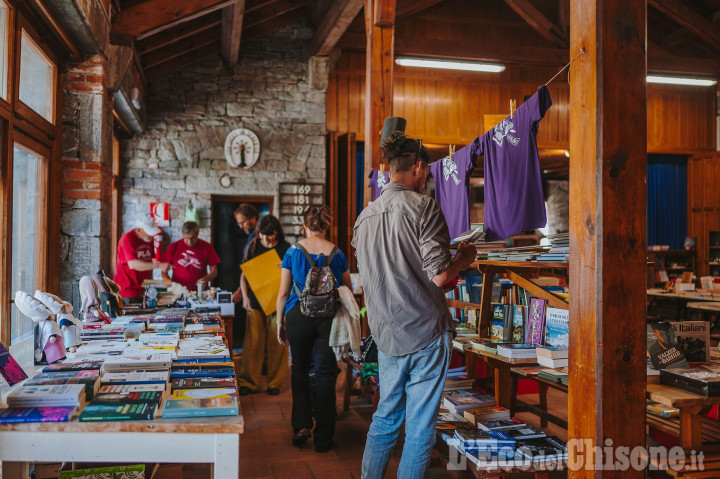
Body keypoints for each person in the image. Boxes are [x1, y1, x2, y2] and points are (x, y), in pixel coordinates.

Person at [352, 131, 477, 478]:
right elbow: (440, 276)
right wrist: (464, 258)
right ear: (418, 167)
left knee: (385, 419)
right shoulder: (423, 206)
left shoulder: (364, 219)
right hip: (424, 331)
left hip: (387, 334)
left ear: (389, 168)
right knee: (420, 428)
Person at [276, 205, 352, 453]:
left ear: (304, 225)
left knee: (299, 369)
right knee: (325, 374)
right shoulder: (338, 253)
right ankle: (324, 437)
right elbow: (348, 287)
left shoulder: (292, 251)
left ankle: (301, 426)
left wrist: (280, 323)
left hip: (297, 314)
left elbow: (283, 292)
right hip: (328, 318)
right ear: (326, 226)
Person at [237, 215, 291, 396]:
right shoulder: (253, 245)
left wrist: (284, 266)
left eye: (271, 235)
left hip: (280, 301)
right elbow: (244, 275)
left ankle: (275, 382)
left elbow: (297, 275)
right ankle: (248, 382)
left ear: (277, 232)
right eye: (263, 235)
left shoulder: (286, 249)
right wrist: (244, 297)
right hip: (254, 300)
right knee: (253, 341)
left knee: (279, 341)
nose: (266, 239)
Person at [114, 214, 169, 303]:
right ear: (138, 229)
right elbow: (133, 264)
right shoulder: (127, 239)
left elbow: (149, 263)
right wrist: (158, 265)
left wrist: (151, 285)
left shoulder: (148, 239)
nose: (151, 236)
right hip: (128, 291)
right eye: (149, 233)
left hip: (144, 289)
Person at [161, 221, 220, 291]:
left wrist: (205, 279)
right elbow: (163, 271)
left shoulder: (207, 247)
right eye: (186, 238)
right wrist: (168, 281)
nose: (189, 241)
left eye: (193, 238)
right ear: (182, 234)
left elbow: (214, 271)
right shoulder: (173, 247)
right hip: (178, 292)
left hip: (200, 292)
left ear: (197, 234)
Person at [231, 203, 259, 304]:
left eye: (242, 223)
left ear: (253, 218)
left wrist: (240, 291)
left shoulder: (257, 237)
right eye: (239, 224)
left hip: (258, 293)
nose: (241, 227)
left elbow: (251, 268)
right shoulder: (252, 236)